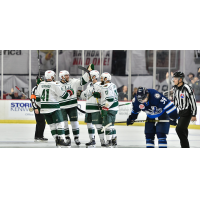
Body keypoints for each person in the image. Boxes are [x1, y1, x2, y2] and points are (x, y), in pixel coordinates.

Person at [35, 70, 74, 147]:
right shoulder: (55, 84)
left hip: (44, 109)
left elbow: (38, 99)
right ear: (52, 77)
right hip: (54, 108)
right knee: (60, 124)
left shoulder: (40, 84)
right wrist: (70, 92)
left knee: (52, 125)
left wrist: (41, 107)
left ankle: (56, 140)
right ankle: (62, 140)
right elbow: (64, 96)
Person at [56, 65, 91, 146]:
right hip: (62, 107)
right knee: (64, 124)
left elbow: (83, 81)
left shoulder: (73, 82)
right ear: (61, 77)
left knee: (74, 123)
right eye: (66, 75)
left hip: (72, 106)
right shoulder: (57, 84)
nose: (68, 76)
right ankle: (67, 138)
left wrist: (87, 72)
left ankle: (76, 138)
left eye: (68, 75)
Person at [78, 70, 105, 147]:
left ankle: (102, 141)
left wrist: (99, 96)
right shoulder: (89, 85)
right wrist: (80, 93)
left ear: (94, 77)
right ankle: (92, 140)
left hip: (96, 109)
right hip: (88, 109)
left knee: (98, 126)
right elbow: (85, 95)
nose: (88, 77)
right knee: (89, 125)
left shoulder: (100, 85)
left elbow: (103, 96)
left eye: (90, 76)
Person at [93, 72, 119, 147]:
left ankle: (109, 141)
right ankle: (114, 139)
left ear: (106, 79)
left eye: (101, 78)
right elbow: (110, 96)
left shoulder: (106, 86)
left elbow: (110, 99)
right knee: (112, 125)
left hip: (109, 108)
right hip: (114, 108)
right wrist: (100, 95)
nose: (100, 79)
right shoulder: (113, 85)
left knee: (107, 125)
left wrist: (105, 108)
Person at [173, 71, 197, 148]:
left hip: (187, 112)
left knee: (179, 129)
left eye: (175, 78)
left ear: (180, 80)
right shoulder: (175, 88)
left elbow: (193, 101)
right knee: (183, 130)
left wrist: (194, 114)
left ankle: (185, 147)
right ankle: (184, 147)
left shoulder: (187, 88)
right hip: (180, 112)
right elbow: (175, 101)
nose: (174, 80)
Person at [31, 76, 48, 142]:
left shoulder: (43, 88)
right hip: (38, 107)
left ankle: (37, 136)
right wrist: (35, 108)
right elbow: (33, 99)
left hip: (42, 107)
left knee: (39, 122)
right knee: (42, 122)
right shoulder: (35, 88)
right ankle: (40, 136)